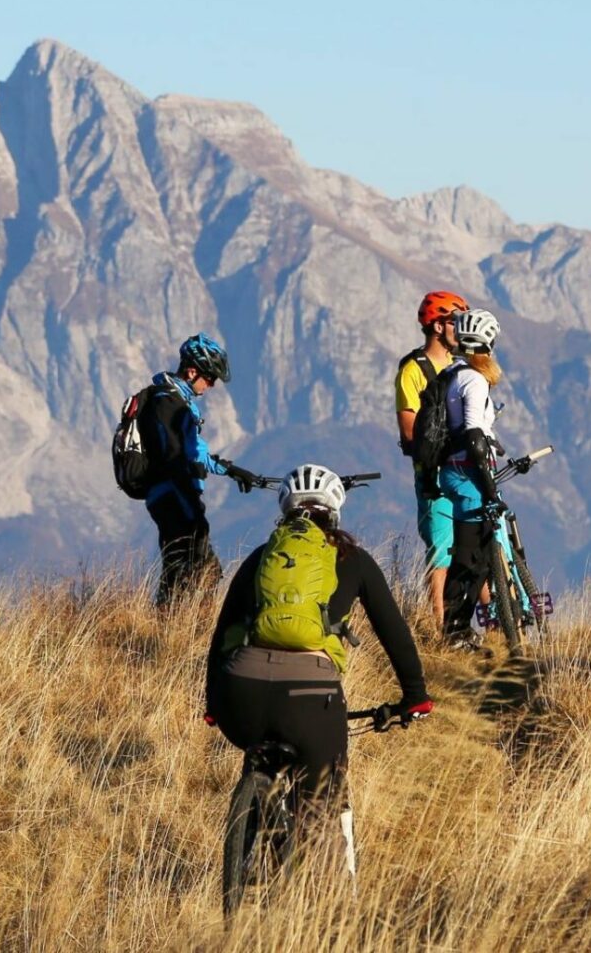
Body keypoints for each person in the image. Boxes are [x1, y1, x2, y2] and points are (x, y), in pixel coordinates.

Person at [203, 464, 432, 862]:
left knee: (258, 746)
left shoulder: (263, 558)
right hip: (310, 698)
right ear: (335, 512)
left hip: (239, 696)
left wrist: (213, 704)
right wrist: (415, 697)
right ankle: (326, 911)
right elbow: (394, 633)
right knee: (320, 812)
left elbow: (223, 634)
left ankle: (250, 845)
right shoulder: (353, 560)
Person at [137, 332, 263, 609]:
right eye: (210, 377)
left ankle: (176, 627)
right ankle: (184, 633)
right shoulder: (167, 402)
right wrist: (189, 489)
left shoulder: (179, 403)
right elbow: (171, 453)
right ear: (192, 371)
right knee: (194, 570)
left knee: (190, 568)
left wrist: (233, 470)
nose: (212, 384)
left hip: (173, 493)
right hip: (173, 494)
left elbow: (198, 452)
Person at [436, 309, 510, 649]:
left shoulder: (452, 373)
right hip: (469, 475)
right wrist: (490, 487)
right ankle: (455, 632)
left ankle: (457, 629)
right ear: (488, 344)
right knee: (472, 557)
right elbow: (474, 436)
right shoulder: (475, 380)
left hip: (452, 471)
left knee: (472, 554)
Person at [395, 290, 470, 625]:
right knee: (441, 550)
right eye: (456, 321)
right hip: (434, 474)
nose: (462, 328)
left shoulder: (463, 366)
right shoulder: (413, 370)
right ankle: (440, 628)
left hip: (467, 470)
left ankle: (493, 624)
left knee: (477, 545)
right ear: (438, 326)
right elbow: (409, 429)